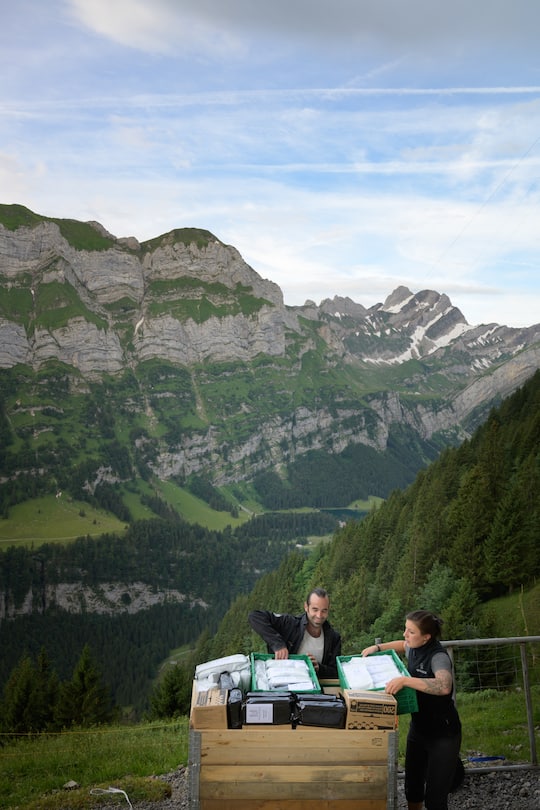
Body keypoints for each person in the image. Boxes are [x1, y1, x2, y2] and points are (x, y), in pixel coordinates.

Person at [362, 610, 462, 810]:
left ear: (426, 637)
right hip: (419, 729)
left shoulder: (438, 656)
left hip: (443, 733)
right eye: (405, 629)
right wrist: (378, 647)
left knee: (435, 798)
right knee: (413, 787)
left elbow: (444, 686)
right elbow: (403, 645)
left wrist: (406, 680)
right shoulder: (414, 646)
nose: (405, 635)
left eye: (411, 632)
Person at [248, 587, 341, 679]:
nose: (319, 615)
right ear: (306, 607)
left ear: (328, 610)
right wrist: (278, 644)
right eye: (315, 609)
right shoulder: (289, 624)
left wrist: (319, 668)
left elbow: (336, 671)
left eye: (324, 611)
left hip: (314, 690)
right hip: (281, 683)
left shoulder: (333, 638)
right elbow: (255, 616)